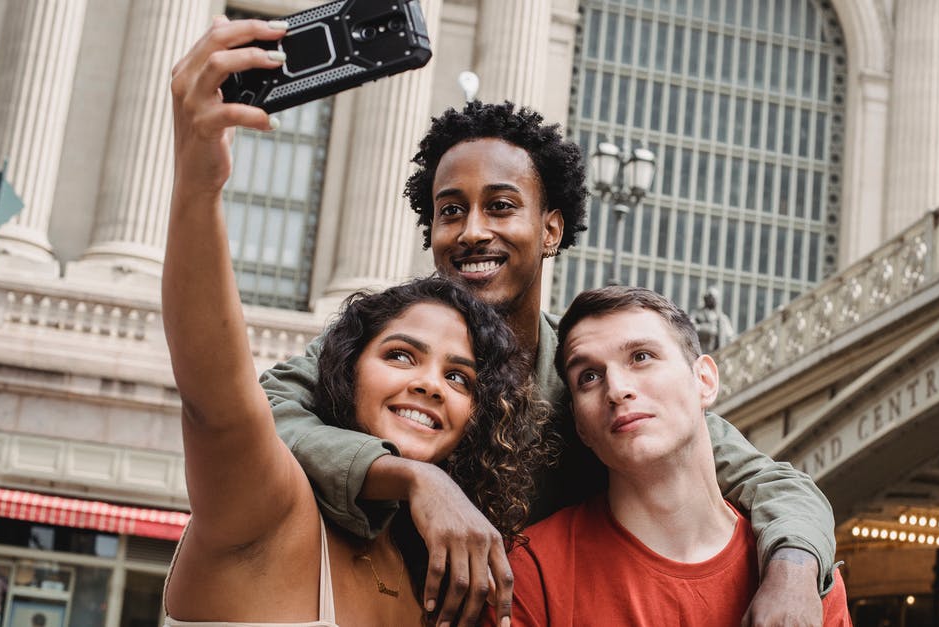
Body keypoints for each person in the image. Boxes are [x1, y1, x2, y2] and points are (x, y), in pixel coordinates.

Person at [264, 101, 838, 625]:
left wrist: (791, 576)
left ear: (551, 229)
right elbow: (259, 415)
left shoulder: (594, 382)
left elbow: (773, 483)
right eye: (450, 211)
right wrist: (413, 478)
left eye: (501, 206)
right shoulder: (380, 346)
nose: (472, 231)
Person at [162, 17, 549, 625]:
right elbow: (216, 402)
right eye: (401, 355)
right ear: (343, 371)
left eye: (460, 378)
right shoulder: (272, 508)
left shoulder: (427, 572)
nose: (429, 383)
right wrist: (198, 185)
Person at [494, 286, 851, 626]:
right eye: (588, 376)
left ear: (705, 381)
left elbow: (783, 486)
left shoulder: (802, 585)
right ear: (579, 424)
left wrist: (794, 575)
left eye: (641, 357)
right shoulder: (530, 575)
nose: (617, 390)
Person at [691, 285, 736, 352]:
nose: (713, 300)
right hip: (701, 350)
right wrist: (706, 329)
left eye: (715, 298)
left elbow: (730, 336)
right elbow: (690, 328)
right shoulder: (697, 313)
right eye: (711, 297)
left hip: (716, 352)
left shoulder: (722, 318)